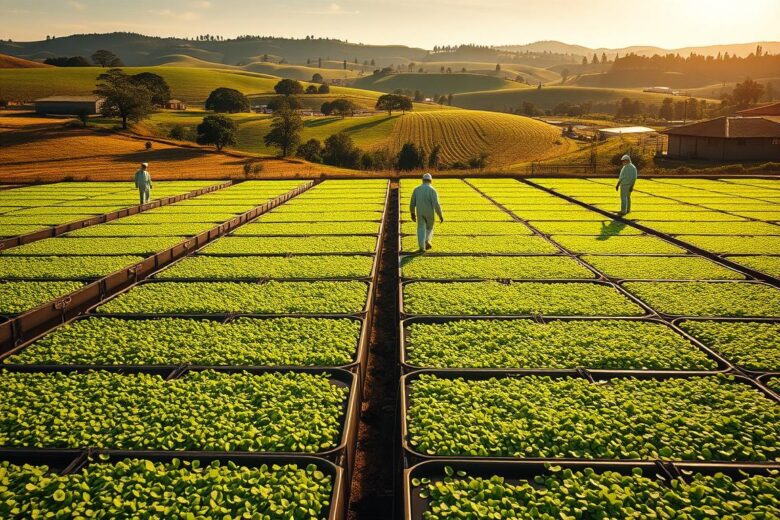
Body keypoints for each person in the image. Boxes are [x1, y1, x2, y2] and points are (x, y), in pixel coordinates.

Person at [410, 173, 444, 252]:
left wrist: (412, 214)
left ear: (422, 180)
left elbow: (412, 203)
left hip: (420, 212)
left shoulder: (416, 189)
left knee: (420, 229)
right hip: (429, 213)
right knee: (429, 228)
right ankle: (427, 240)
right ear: (430, 181)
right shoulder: (432, 190)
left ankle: (421, 247)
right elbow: (436, 204)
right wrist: (440, 215)